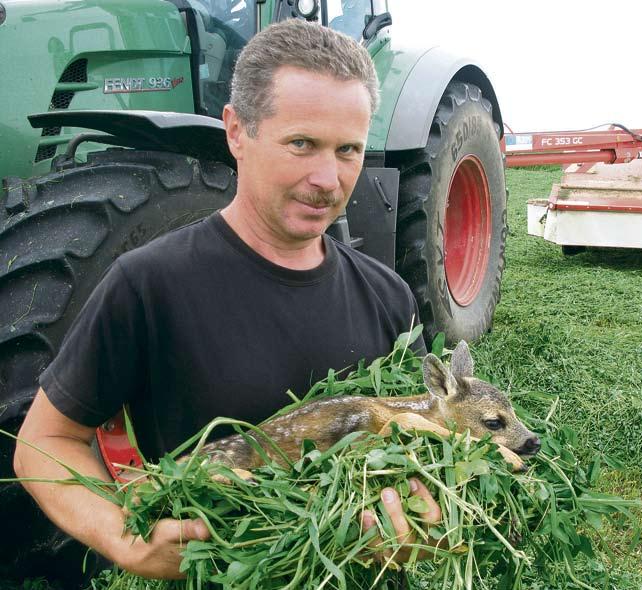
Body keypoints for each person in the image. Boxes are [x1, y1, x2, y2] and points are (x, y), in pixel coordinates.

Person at [13, 19, 438, 581]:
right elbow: (44, 443)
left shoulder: (389, 296)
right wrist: (126, 541)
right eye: (302, 144)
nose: (329, 179)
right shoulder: (149, 284)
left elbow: (421, 441)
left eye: (348, 150)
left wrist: (424, 518)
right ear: (237, 132)